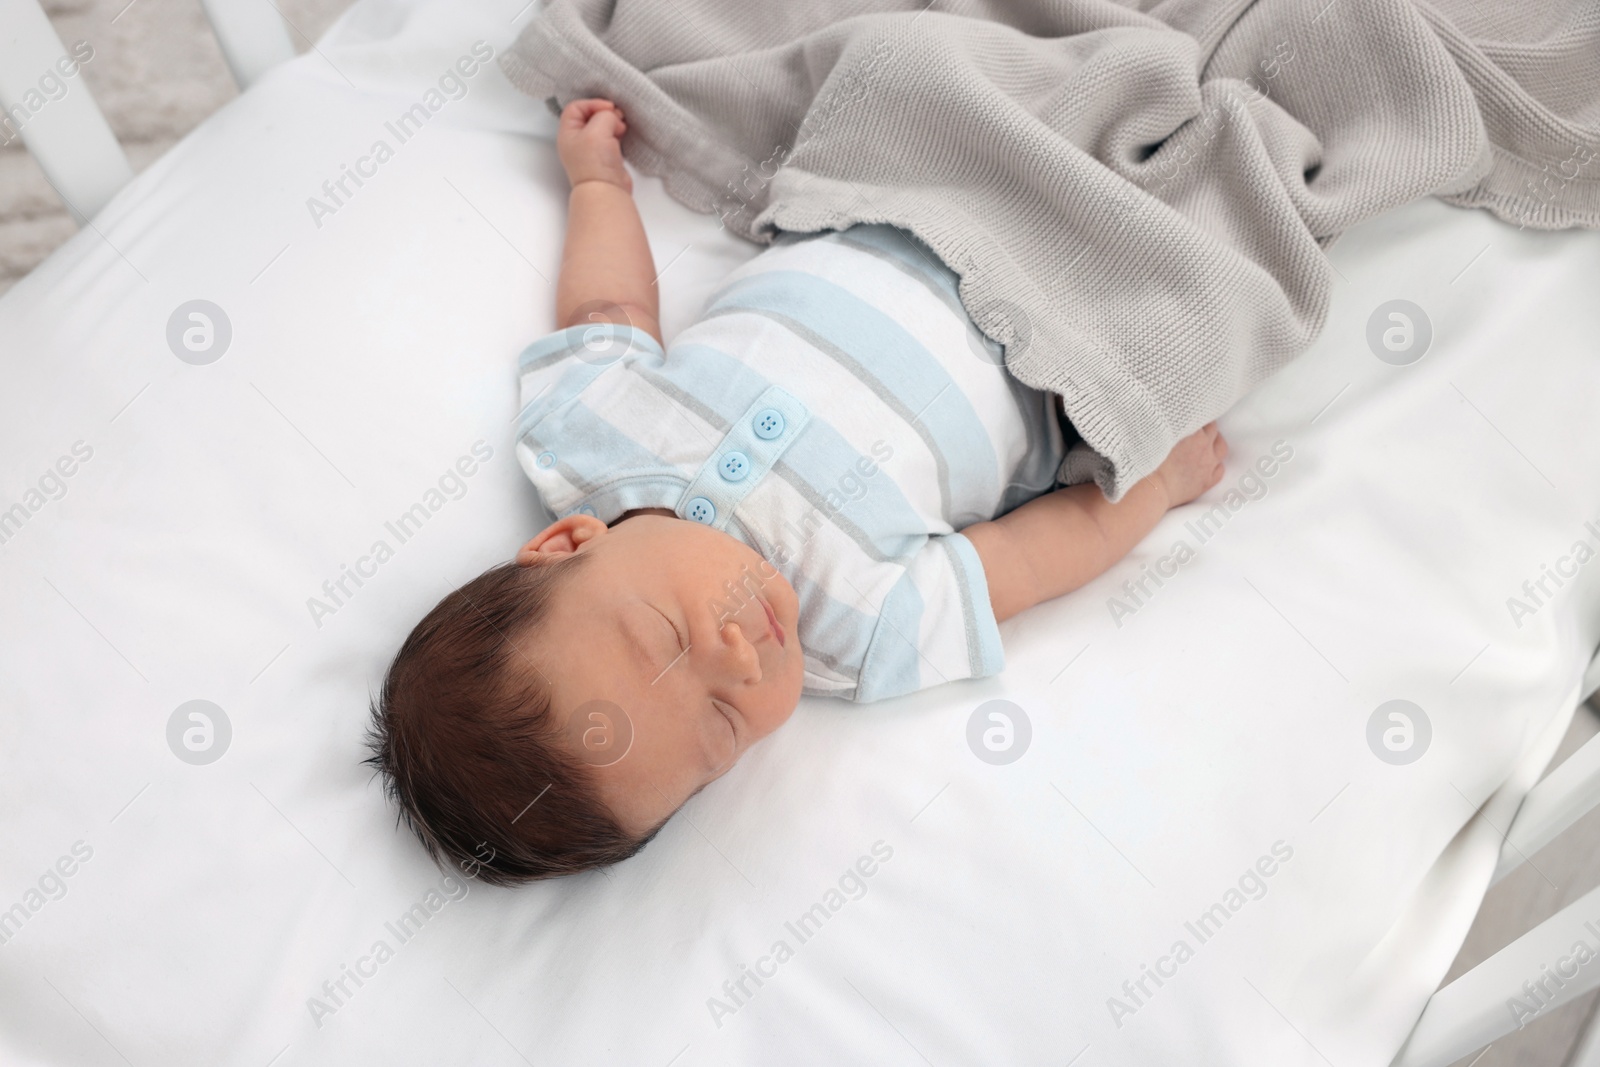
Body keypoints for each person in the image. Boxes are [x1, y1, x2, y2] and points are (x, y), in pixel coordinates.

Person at [367, 98, 1228, 884]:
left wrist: (598, 185)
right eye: (723, 723)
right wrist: (1153, 491)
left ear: (568, 544)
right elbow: (1030, 557)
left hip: (899, 187)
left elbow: (609, 298)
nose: (742, 660)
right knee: (1208, 230)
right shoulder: (865, 626)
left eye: (670, 634)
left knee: (923, 71)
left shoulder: (588, 432)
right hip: (1066, 311)